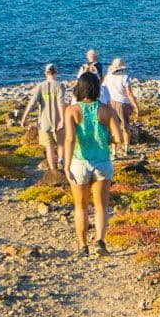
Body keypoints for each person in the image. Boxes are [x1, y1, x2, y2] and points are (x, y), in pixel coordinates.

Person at [59, 73, 125, 255]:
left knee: (80, 206)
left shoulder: (72, 110)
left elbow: (70, 138)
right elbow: (119, 138)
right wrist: (106, 139)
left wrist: (66, 164)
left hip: (80, 162)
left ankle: (82, 246)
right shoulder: (107, 110)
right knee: (101, 205)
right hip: (102, 162)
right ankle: (100, 242)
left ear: (79, 88)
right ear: (97, 88)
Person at [17, 63, 67, 174]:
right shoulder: (60, 86)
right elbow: (61, 103)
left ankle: (53, 170)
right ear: (56, 73)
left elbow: (32, 103)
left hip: (44, 122)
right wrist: (62, 119)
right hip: (58, 120)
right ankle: (61, 161)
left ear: (46, 73)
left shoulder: (41, 86)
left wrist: (24, 118)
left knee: (49, 147)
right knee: (61, 144)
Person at [101, 57, 138, 151]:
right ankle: (126, 148)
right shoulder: (125, 77)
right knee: (125, 126)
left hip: (110, 102)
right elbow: (129, 93)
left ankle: (114, 151)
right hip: (123, 103)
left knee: (113, 127)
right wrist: (135, 106)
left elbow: (103, 88)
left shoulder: (108, 77)